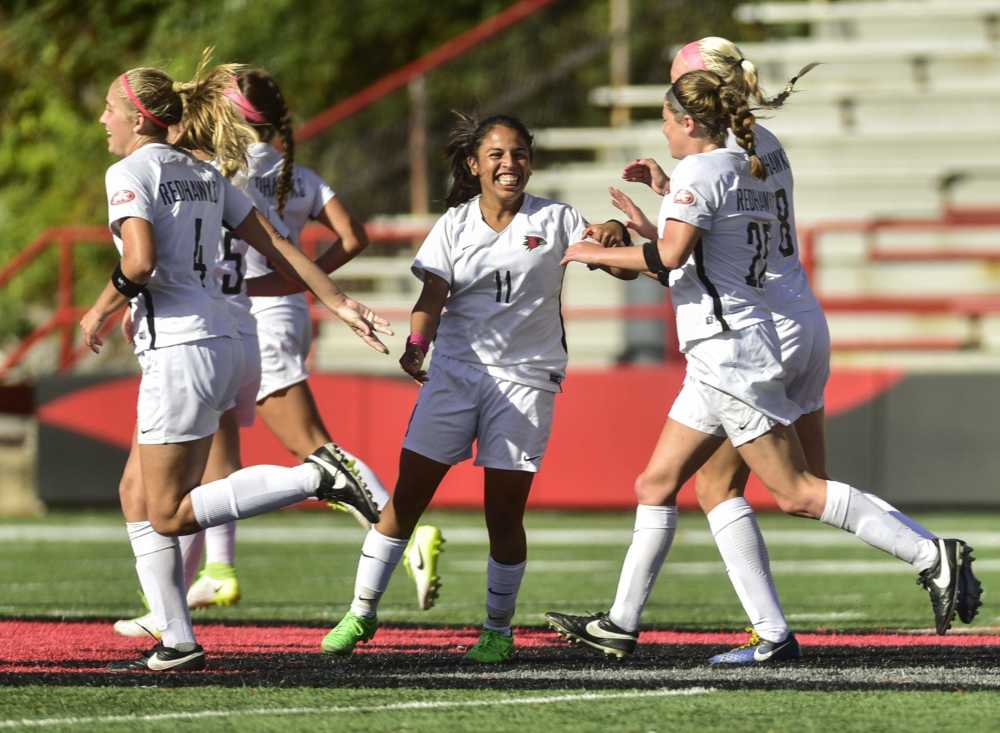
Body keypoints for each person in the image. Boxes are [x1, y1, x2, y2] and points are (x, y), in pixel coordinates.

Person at [544, 68, 980, 664]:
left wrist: (594, 250)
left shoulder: (704, 170)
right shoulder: (744, 163)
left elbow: (671, 256)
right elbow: (697, 256)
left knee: (797, 492)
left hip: (729, 352)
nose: (664, 132)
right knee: (661, 483)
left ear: (689, 121)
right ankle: (624, 623)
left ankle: (931, 555)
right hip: (728, 346)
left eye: (667, 122)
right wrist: (652, 214)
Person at [86, 53, 391, 671]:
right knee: (134, 492)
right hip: (231, 340)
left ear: (140, 120)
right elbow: (280, 244)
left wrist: (98, 308)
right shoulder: (204, 173)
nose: (102, 119)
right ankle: (176, 639)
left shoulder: (130, 171)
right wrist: (339, 301)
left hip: (182, 349)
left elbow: (140, 262)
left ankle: (317, 479)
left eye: (111, 110)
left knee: (167, 512)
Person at [320, 111, 627, 664]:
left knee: (504, 515)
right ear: (474, 164)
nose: (510, 164)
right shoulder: (455, 225)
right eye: (497, 155)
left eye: (519, 154)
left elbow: (618, 263)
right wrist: (417, 348)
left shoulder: (556, 218)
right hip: (457, 374)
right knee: (406, 500)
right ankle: (360, 613)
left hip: (528, 381)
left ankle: (496, 629)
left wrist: (612, 232)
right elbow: (431, 299)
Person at [182, 68, 446, 613]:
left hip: (256, 313)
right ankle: (219, 568)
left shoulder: (227, 168)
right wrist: (305, 279)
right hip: (279, 307)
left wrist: (278, 280)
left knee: (310, 444)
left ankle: (401, 530)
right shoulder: (296, 172)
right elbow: (353, 236)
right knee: (215, 442)